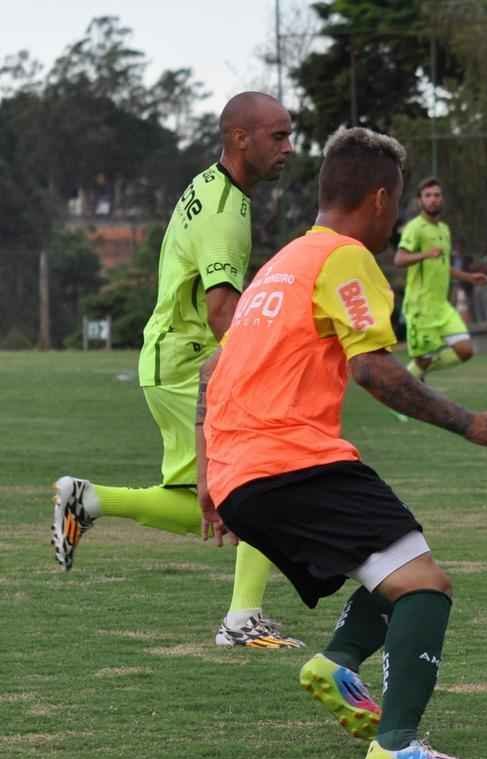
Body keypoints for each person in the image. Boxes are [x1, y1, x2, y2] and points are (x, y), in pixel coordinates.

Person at [196, 127, 487, 759]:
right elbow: (375, 372)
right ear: (378, 198)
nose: (394, 217)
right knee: (427, 587)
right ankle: (397, 743)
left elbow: (213, 371)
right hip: (291, 462)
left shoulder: (277, 268)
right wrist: (469, 423)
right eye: (394, 204)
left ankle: (338, 663)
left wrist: (211, 478)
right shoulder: (346, 259)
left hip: (241, 473)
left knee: (398, 562)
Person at [51, 92, 304, 648]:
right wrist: (262, 366)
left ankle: (91, 500)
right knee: (262, 486)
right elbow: (221, 311)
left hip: (171, 358)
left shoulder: (212, 186)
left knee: (218, 502)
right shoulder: (225, 212)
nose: (290, 148)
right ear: (242, 138)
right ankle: (242, 620)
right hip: (188, 362)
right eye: (279, 136)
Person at [393, 178, 487, 381]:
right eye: (427, 196)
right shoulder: (415, 228)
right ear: (420, 201)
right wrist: (425, 254)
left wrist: (469, 277)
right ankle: (403, 391)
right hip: (421, 308)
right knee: (422, 361)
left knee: (465, 351)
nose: (433, 200)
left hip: (441, 307)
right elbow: (399, 259)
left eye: (437, 195)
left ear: (442, 199)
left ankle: (415, 374)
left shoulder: (444, 229)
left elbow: (443, 267)